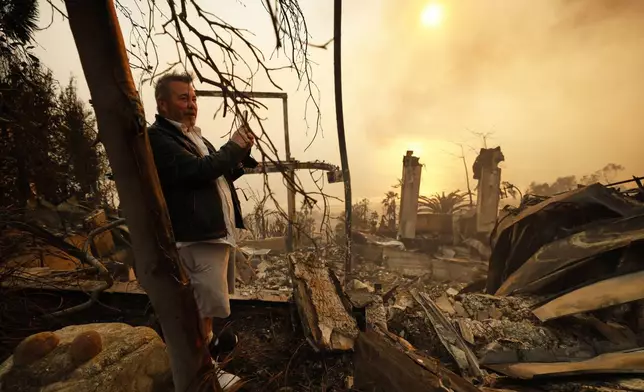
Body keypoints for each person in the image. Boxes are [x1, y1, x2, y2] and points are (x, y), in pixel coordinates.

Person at [147, 71, 257, 390]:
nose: (192, 104)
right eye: (184, 98)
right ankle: (201, 374)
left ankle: (205, 365)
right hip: (196, 237)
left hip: (214, 235)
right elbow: (198, 171)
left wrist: (240, 154)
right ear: (162, 104)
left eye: (193, 98)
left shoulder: (193, 135)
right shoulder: (159, 138)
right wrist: (232, 147)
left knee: (207, 309)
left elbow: (216, 176)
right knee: (200, 309)